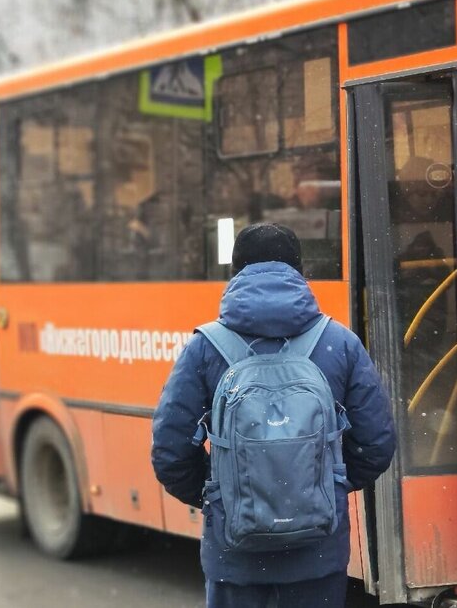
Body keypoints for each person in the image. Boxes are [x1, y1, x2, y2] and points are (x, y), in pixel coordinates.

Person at [151, 223, 395, 608]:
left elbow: (169, 451)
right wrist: (323, 486)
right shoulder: (338, 342)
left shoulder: (205, 348)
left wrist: (221, 495)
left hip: (235, 556)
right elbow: (377, 443)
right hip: (317, 554)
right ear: (299, 271)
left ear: (236, 273)